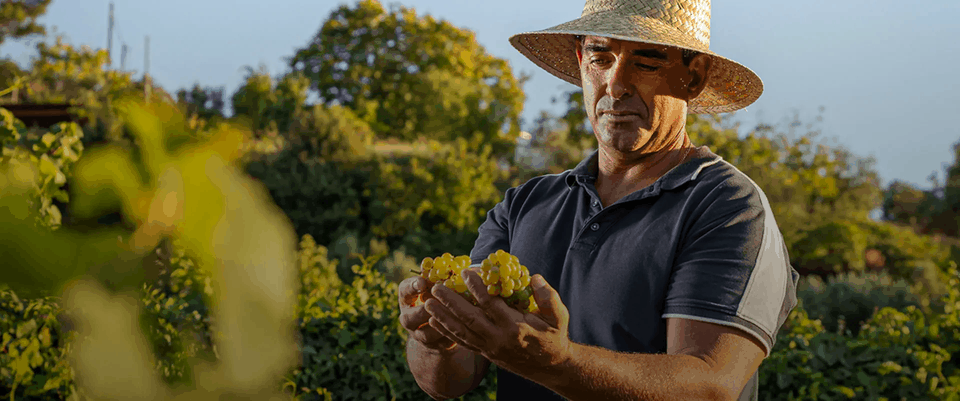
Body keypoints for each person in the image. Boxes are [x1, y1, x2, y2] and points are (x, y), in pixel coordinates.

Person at [398, 0, 800, 399]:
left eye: (647, 61)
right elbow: (448, 382)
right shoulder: (524, 205)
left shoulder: (729, 208)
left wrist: (557, 362)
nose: (616, 83)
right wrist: (436, 342)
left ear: (693, 77)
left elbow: (711, 387)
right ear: (580, 61)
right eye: (600, 57)